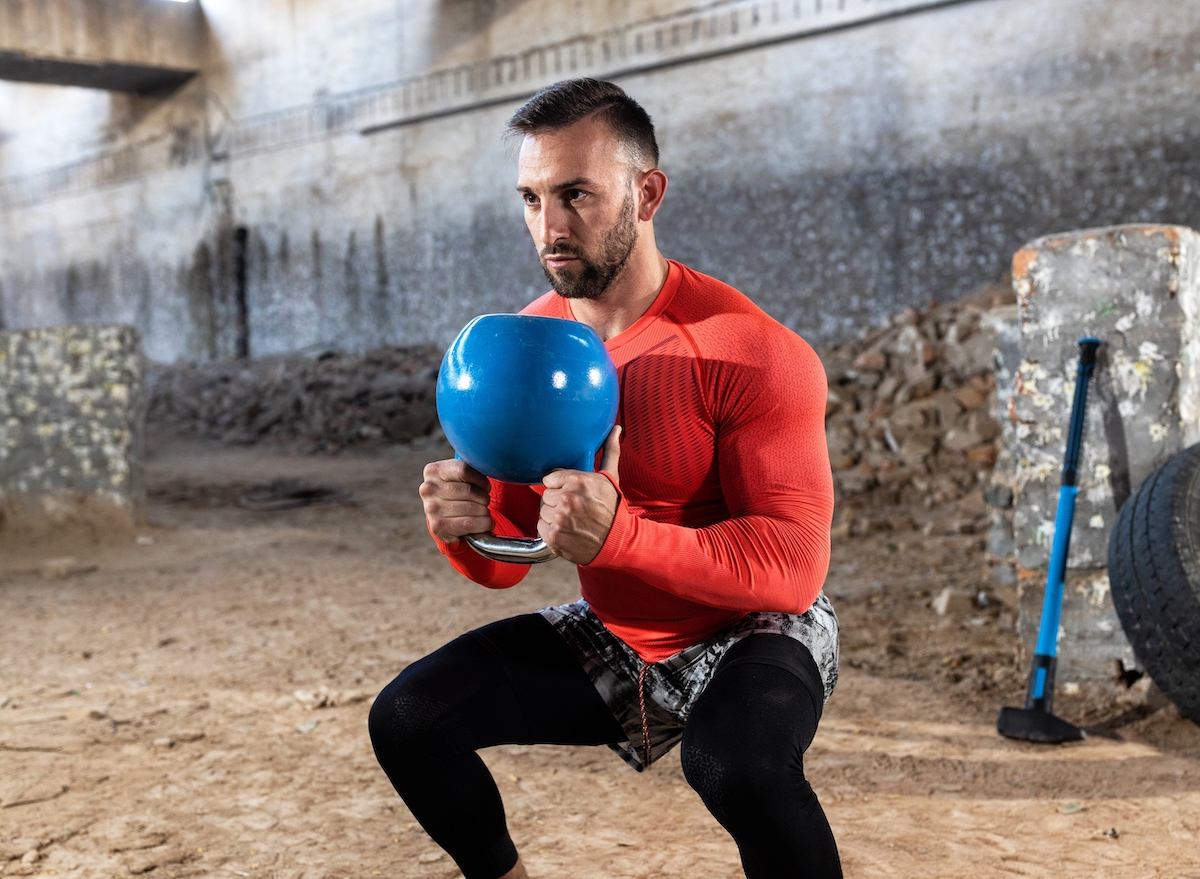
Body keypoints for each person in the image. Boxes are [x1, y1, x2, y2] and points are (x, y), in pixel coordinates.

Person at [369, 77, 842, 879]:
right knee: (409, 717)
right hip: (621, 630)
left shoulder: (749, 348)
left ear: (646, 192)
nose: (549, 228)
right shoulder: (525, 348)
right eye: (530, 198)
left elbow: (792, 571)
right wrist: (462, 526)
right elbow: (501, 561)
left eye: (576, 194)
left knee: (735, 763)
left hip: (754, 629)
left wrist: (618, 536)